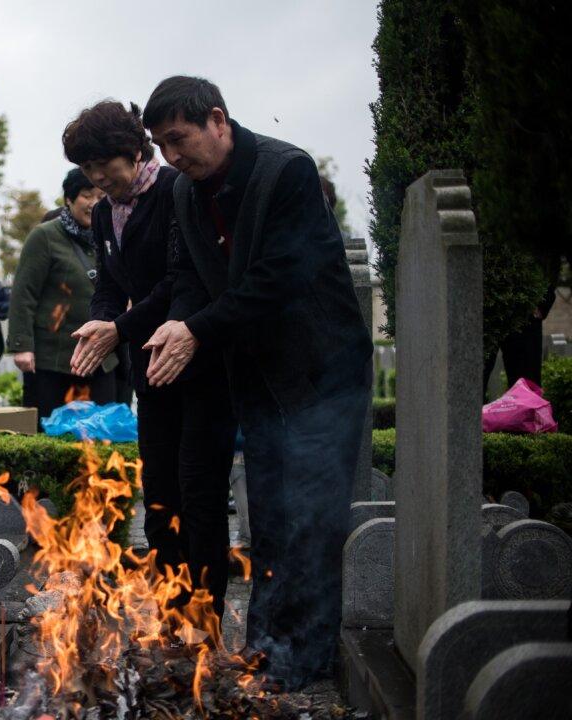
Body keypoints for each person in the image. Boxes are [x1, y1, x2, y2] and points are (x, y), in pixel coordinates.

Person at [141, 76, 372, 688]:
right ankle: (268, 649)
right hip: (255, 378)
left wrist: (199, 329)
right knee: (268, 519)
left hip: (318, 371)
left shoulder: (285, 171)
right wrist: (177, 326)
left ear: (217, 119)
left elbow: (281, 275)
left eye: (178, 139)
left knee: (313, 519)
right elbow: (188, 272)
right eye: (160, 146)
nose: (171, 157)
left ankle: (307, 657)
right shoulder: (188, 194)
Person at [65, 101, 236, 620]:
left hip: (199, 360)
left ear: (135, 151)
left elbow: (177, 282)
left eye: (105, 166)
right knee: (159, 491)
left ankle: (206, 613)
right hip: (150, 367)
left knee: (199, 491)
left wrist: (120, 328)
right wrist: (101, 322)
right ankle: (169, 604)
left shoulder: (175, 192)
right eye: (88, 170)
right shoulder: (102, 212)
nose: (98, 179)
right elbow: (111, 285)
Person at [8, 168, 115, 424]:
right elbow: (24, 294)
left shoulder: (110, 235)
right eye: (87, 195)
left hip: (102, 357)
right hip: (52, 360)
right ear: (69, 199)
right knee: (49, 432)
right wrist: (22, 347)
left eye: (101, 196)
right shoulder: (45, 236)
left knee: (101, 436)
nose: (94, 203)